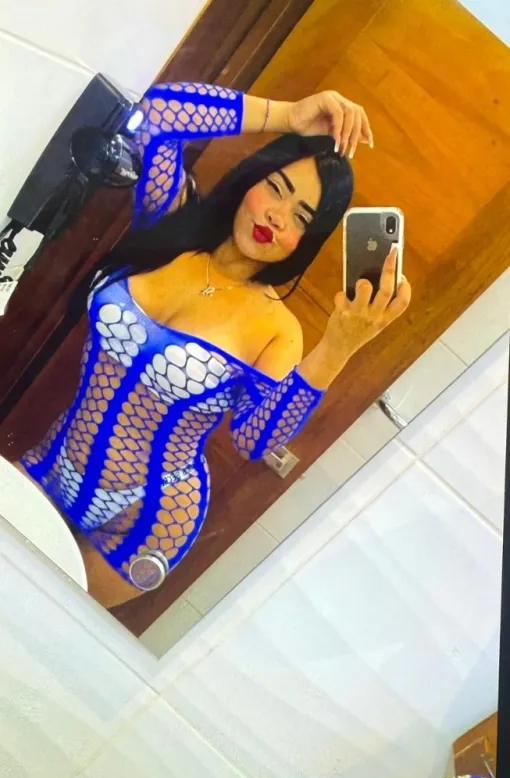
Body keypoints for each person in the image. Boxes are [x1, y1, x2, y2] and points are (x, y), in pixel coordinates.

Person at [16, 82, 411, 608]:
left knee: (38, 623)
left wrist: (338, 346)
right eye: (276, 188)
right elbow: (160, 113)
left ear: (307, 241)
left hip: (149, 515)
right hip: (51, 462)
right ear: (251, 179)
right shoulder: (171, 223)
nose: (277, 216)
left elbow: (253, 439)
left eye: (301, 217)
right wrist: (287, 114)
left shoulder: (277, 329)